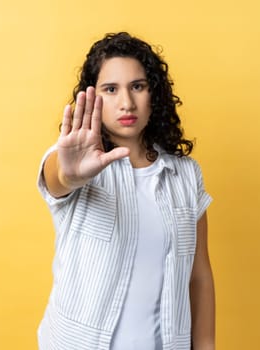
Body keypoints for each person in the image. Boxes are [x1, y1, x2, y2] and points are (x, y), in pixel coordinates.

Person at [36, 32, 215, 350]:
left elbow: (199, 274)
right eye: (111, 89)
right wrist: (70, 175)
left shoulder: (186, 176)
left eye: (138, 86)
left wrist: (205, 345)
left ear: (153, 94)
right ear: (93, 98)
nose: (126, 102)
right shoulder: (77, 163)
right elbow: (57, 179)